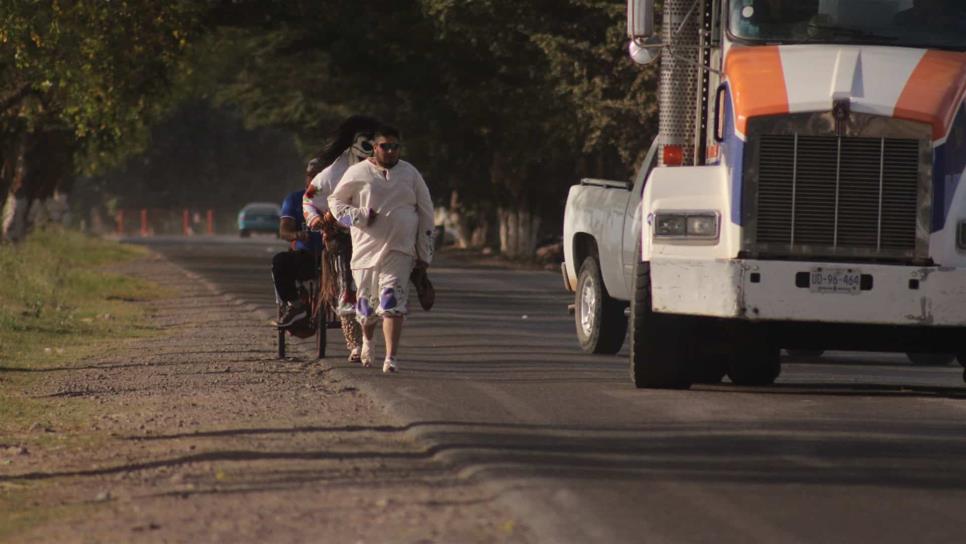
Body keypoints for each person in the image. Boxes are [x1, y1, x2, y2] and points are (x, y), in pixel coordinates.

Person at [328, 125, 434, 373]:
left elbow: (427, 213)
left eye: (394, 146)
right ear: (375, 148)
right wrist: (359, 216)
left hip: (400, 250)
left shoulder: (410, 174)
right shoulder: (358, 172)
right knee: (366, 308)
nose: (390, 151)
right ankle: (366, 339)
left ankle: (391, 358)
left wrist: (425, 253)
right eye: (384, 146)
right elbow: (335, 202)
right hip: (365, 251)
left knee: (391, 302)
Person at [303, 115, 381, 362]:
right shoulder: (331, 174)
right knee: (348, 288)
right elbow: (309, 199)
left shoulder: (391, 170)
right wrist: (316, 220)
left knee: (374, 289)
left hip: (375, 238)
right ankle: (355, 344)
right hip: (341, 238)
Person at [272, 159, 326, 329]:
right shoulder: (295, 199)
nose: (315, 181)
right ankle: (295, 305)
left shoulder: (339, 198)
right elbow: (284, 231)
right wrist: (296, 234)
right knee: (280, 261)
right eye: (312, 176)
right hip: (306, 257)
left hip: (334, 257)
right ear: (307, 178)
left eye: (321, 176)